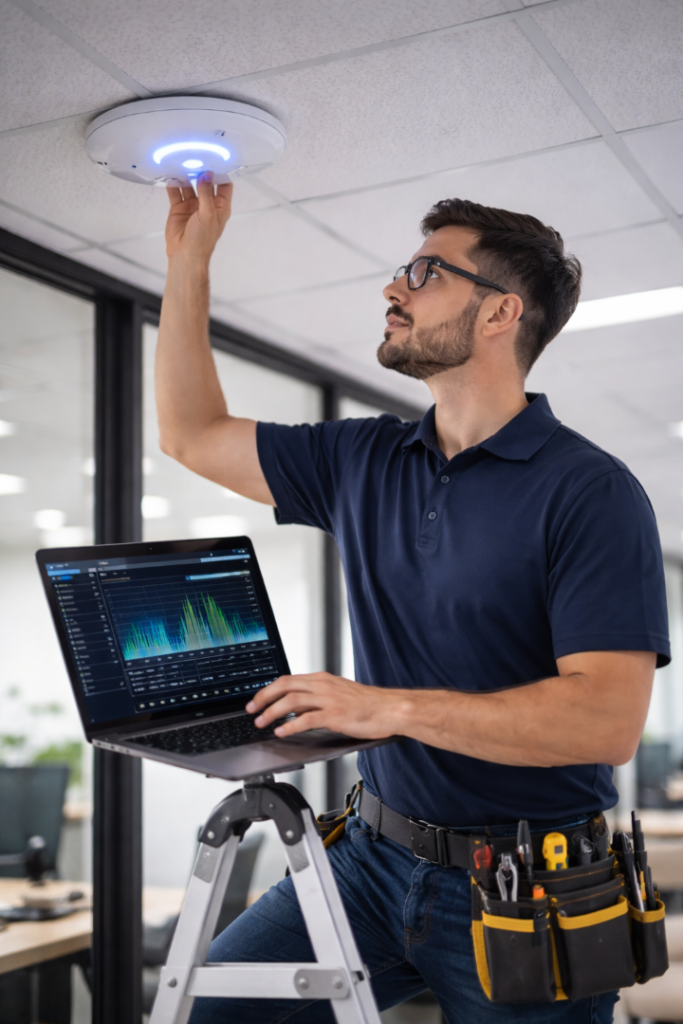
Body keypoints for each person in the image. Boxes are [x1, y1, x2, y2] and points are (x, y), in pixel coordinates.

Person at [156, 173, 669, 1023]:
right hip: (370, 858)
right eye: (403, 269)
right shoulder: (363, 459)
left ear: (501, 312)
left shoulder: (590, 492)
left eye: (426, 273)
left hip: (527, 886)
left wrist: (382, 708)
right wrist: (190, 262)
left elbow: (602, 723)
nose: (394, 287)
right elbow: (191, 434)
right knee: (213, 1010)